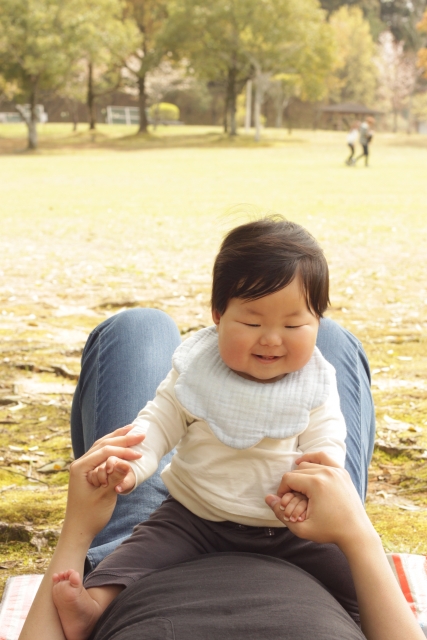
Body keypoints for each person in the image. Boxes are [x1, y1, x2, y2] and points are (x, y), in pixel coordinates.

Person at [53, 218, 366, 639]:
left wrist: (307, 488)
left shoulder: (315, 379)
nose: (272, 339)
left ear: (319, 322)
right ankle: (93, 608)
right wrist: (132, 466)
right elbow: (158, 422)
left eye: (294, 325)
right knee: (132, 557)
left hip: (290, 524)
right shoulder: (199, 370)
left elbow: (328, 443)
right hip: (195, 515)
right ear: (218, 315)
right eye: (252, 324)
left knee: (356, 574)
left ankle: (367, 618)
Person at [18, 432, 425, 640]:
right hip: (299, 527)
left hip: (164, 541)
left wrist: (78, 529)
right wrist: (358, 534)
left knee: (136, 328)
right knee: (313, 347)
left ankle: (94, 607)